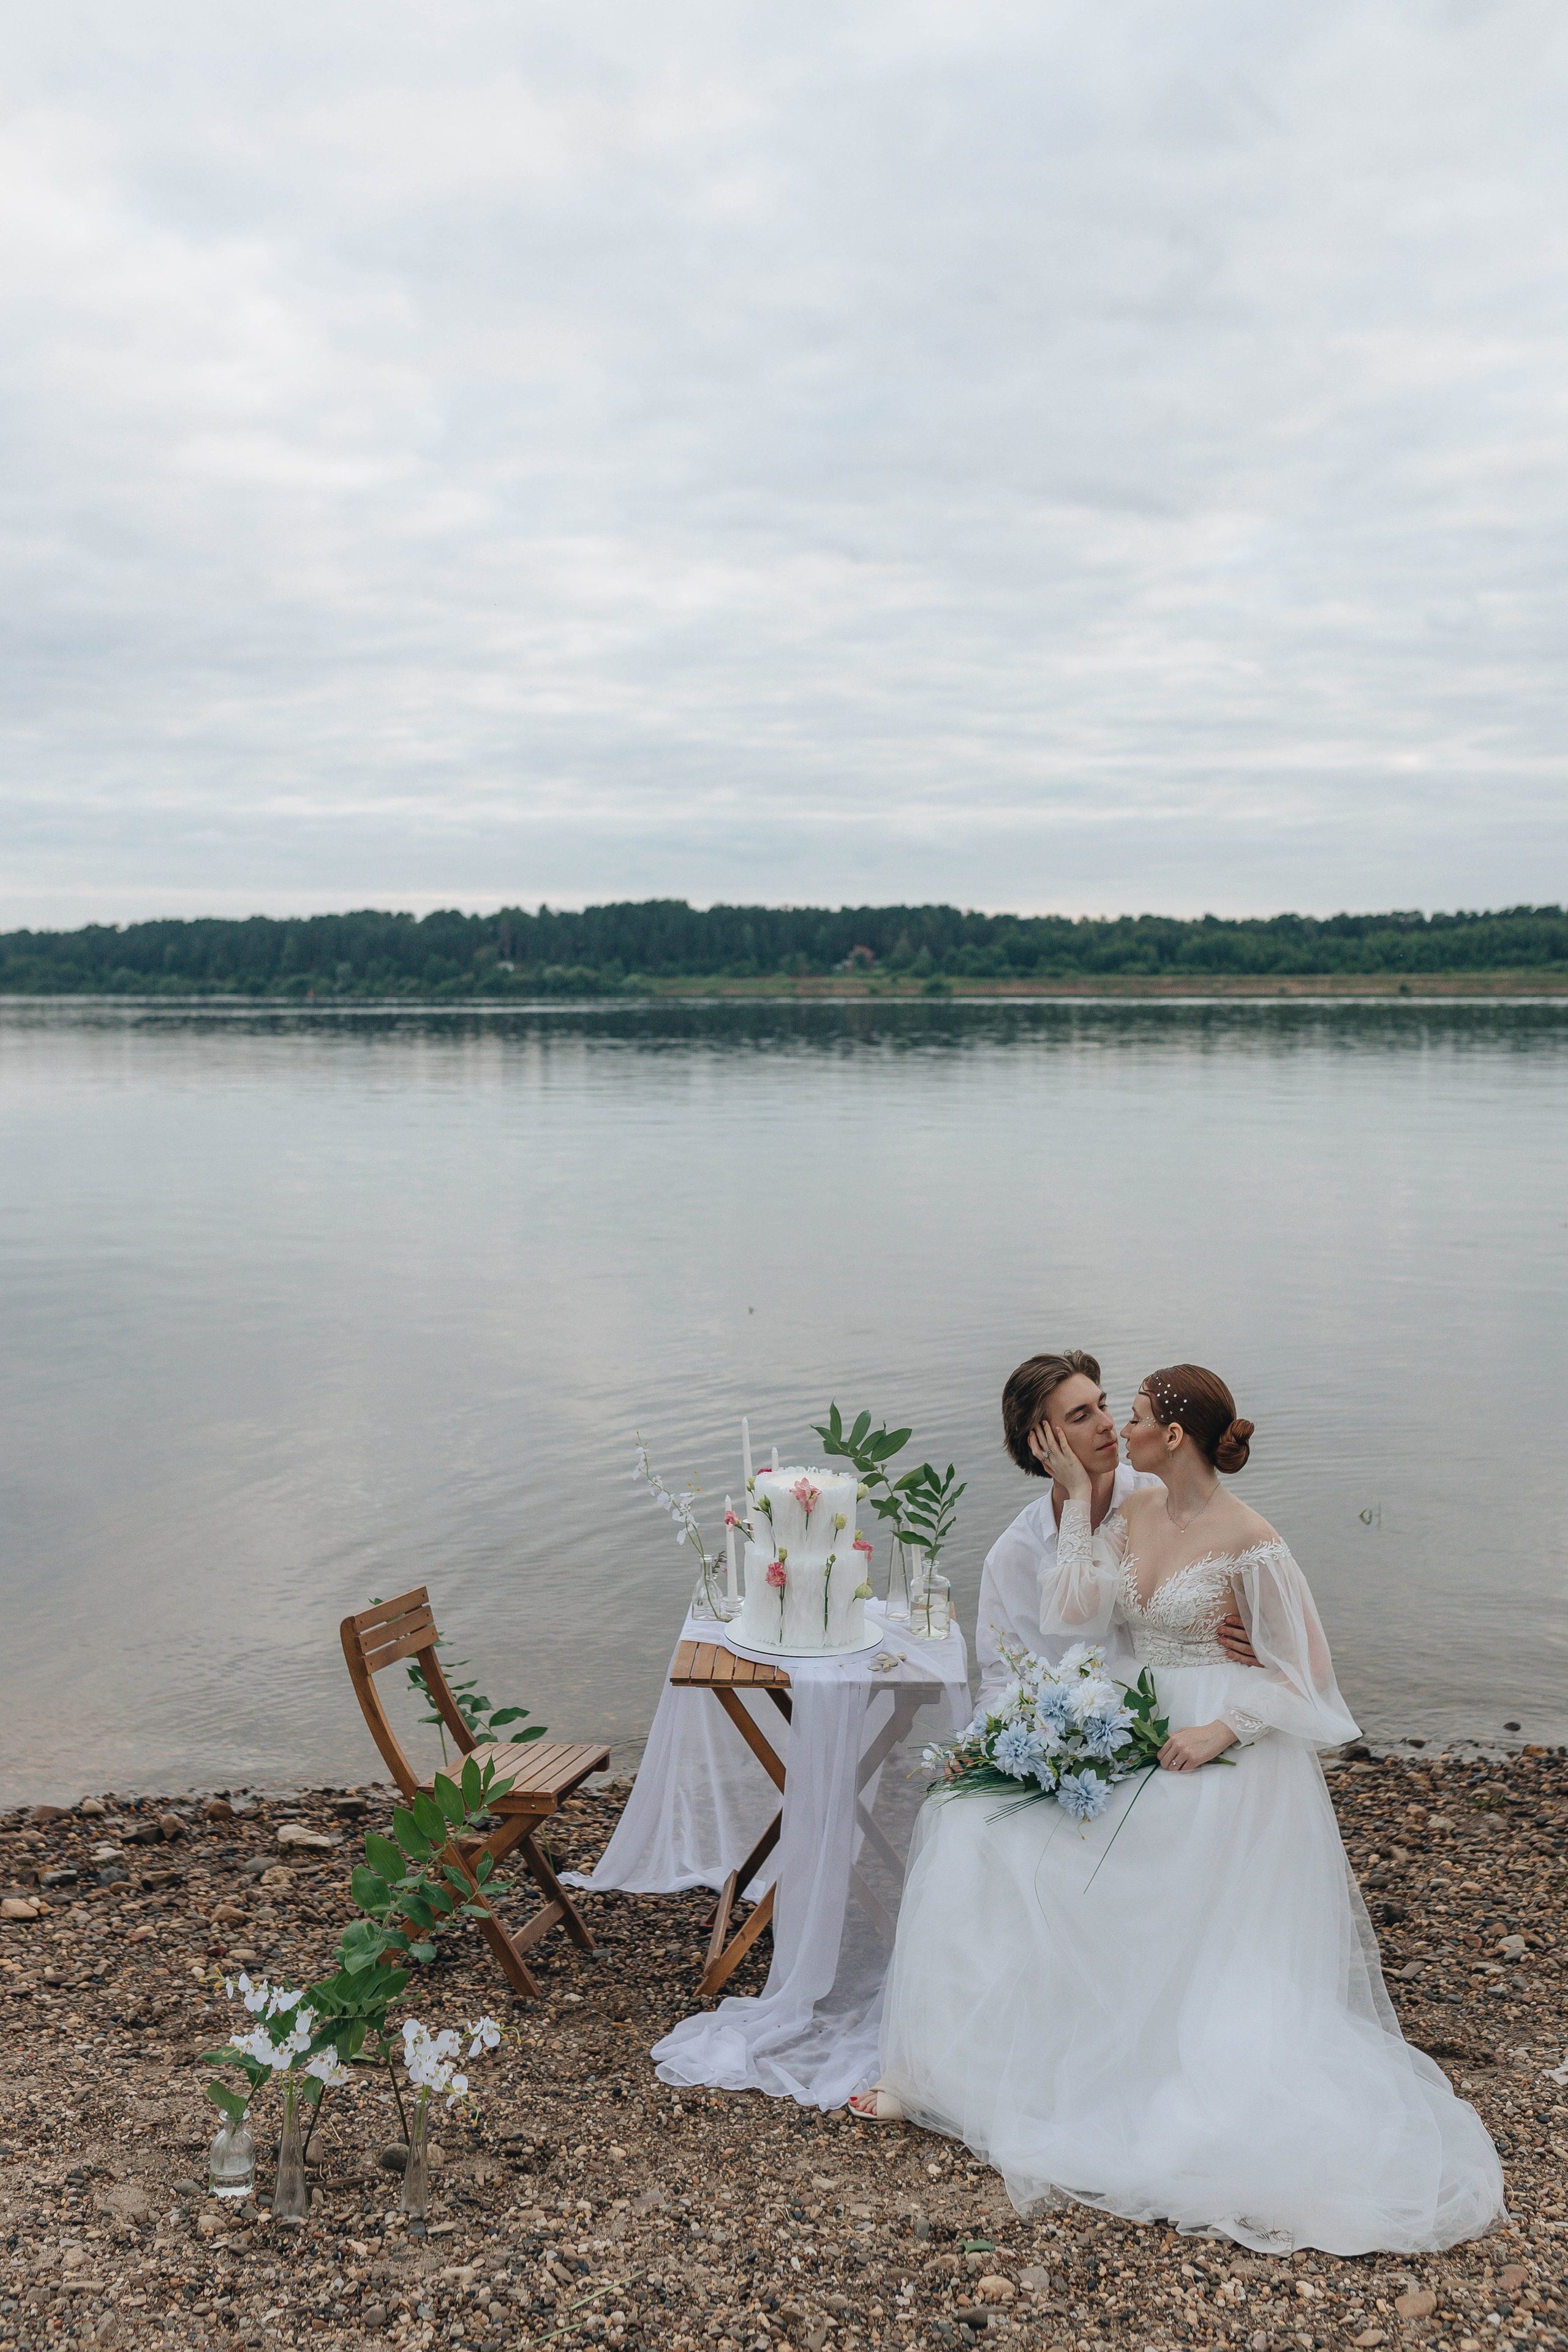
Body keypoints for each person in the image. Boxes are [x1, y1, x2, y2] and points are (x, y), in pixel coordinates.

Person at [854, 1364, 1504, 2256]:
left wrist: (1224, 1725)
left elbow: (1311, 1679)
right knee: (975, 1826)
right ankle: (965, 2058)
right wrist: (1079, 1502)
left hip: (1216, 1744)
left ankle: (1150, 2056)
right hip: (1134, 1721)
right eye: (1099, 1416)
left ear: (1176, 1437)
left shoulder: (1253, 1536)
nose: (1119, 1427)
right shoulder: (1126, 1512)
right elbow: (1075, 1613)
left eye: (1132, 1415)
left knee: (1146, 1851)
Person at [976, 1350, 1261, 1705]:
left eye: (1103, 1405)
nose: (1108, 1424)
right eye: (1081, 1417)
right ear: (1040, 1443)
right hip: (1072, 1741)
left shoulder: (1164, 1499)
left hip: (1178, 1718)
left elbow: (1250, 1577)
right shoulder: (1013, 1553)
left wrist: (1266, 1643)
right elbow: (1000, 1677)